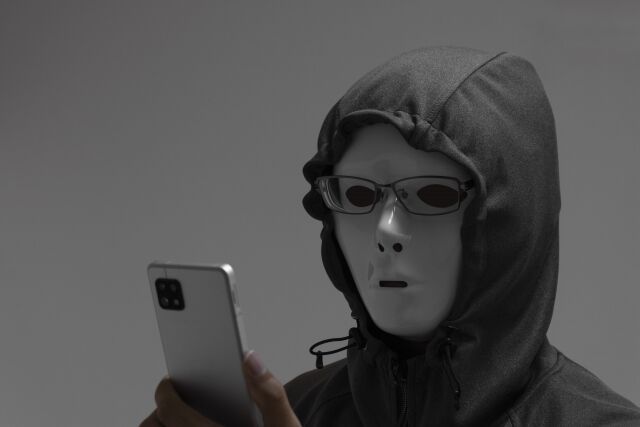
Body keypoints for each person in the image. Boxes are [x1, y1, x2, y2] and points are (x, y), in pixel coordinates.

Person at [140, 45, 640, 426]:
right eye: (358, 194)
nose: (386, 231)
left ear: (510, 221)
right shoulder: (296, 410)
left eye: (432, 195)